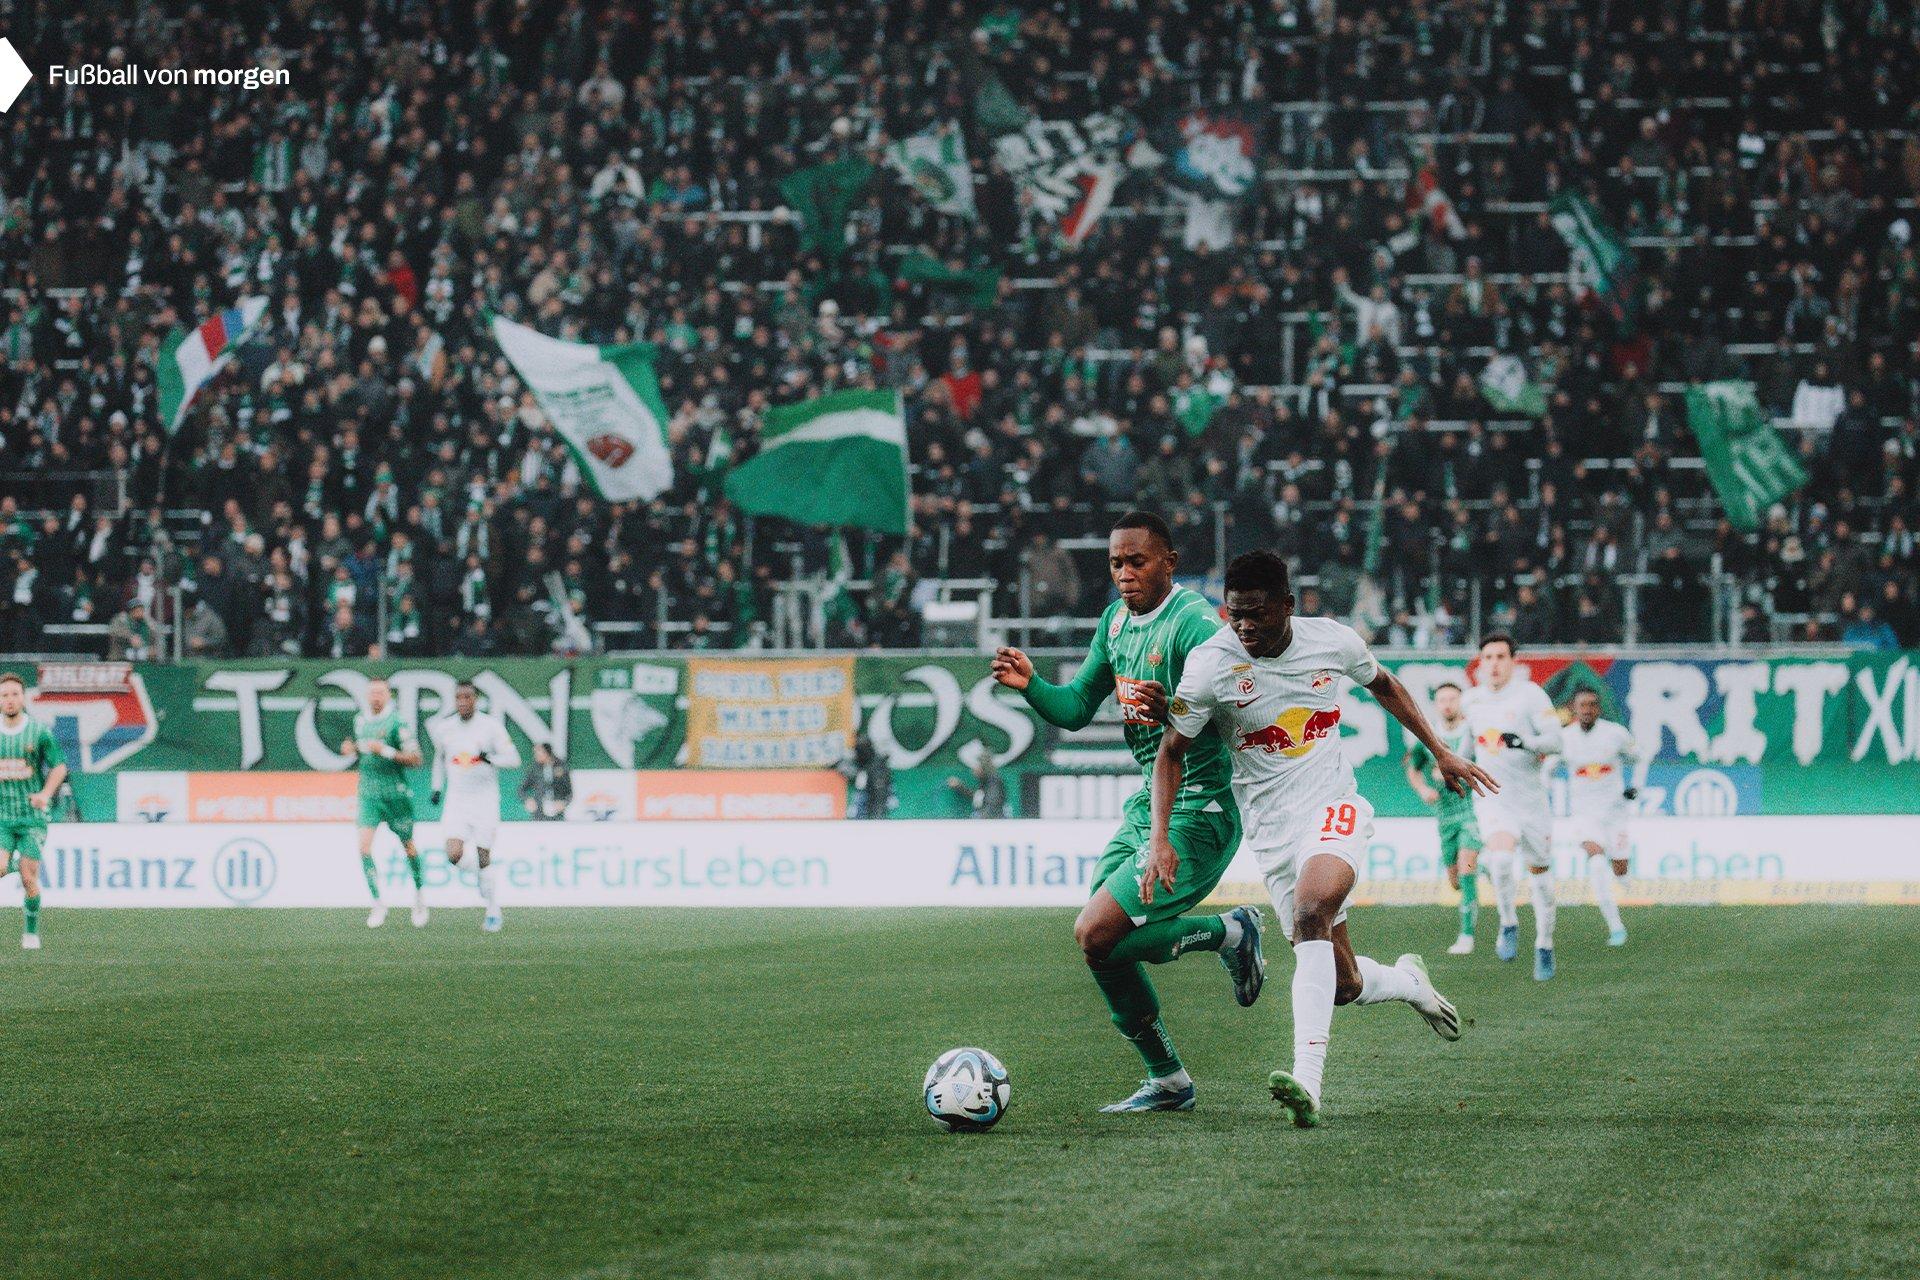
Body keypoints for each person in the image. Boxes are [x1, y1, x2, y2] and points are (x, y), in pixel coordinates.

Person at [1152, 551, 1491, 1128]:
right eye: (1236, 615)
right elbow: (1171, 752)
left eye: (1258, 614)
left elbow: (1385, 685)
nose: (1246, 627)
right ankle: (1409, 982)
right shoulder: (1210, 665)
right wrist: (1161, 835)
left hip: (1334, 806)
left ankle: (1307, 1085)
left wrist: (1440, 750)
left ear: (1288, 606)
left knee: (1313, 909)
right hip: (1271, 830)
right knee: (1343, 982)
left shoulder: (1332, 641)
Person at [992, 511, 1264, 1114]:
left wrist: (1182, 706)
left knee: (1096, 929)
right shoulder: (1115, 622)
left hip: (1202, 807)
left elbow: (1248, 706)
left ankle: (1231, 931)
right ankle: (1167, 1079)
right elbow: (1072, 708)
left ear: (1169, 562)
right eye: (1116, 563)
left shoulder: (1196, 625)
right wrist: (1033, 684)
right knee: (1100, 945)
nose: (1124, 574)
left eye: (1137, 561)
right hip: (1150, 801)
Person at [1460, 633, 1564, 979]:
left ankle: (1545, 945)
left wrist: (1526, 742)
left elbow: (1556, 740)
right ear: (1480, 662)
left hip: (1531, 802)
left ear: (1513, 662)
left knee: (1542, 882)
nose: (1493, 663)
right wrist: (1454, 766)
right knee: (1501, 860)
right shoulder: (1472, 701)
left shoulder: (1531, 696)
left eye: (1501, 656)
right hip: (1493, 798)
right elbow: (1467, 745)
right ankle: (1508, 922)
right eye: (1487, 657)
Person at [429, 679, 520, 932]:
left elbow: (513, 759)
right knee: (453, 853)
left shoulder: (491, 727)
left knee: (483, 854)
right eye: (459, 697)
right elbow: (439, 760)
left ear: (475, 699)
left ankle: (492, 910)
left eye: (467, 697)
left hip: (484, 799)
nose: (462, 702)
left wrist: (487, 758)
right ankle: (482, 877)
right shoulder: (445, 728)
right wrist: (436, 788)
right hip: (457, 799)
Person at [1552, 689, 1639, 947]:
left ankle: (1625, 883)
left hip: (1614, 813)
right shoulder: (1564, 738)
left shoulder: (1615, 734)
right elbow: (1547, 767)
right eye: (1582, 706)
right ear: (1574, 709)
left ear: (1598, 709)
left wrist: (1636, 786)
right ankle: (1616, 927)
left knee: (1620, 870)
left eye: (1592, 705)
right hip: (1583, 815)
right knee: (1597, 863)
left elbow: (1640, 756)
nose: (1587, 710)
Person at [1405, 681, 1485, 954]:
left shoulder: (1474, 734)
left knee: (1466, 869)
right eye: (1442, 700)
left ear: (1461, 702)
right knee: (1454, 882)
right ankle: (1486, 869)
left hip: (1471, 810)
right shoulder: (1428, 738)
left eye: (1453, 698)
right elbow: (1413, 770)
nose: (1448, 704)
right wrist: (1423, 789)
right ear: (1436, 705)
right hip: (1445, 815)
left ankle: (1466, 936)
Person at [340, 676, 426, 928]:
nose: (376, 697)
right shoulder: (359, 720)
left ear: (389, 696)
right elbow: (362, 748)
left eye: (381, 692)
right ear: (367, 696)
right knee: (363, 847)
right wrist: (352, 749)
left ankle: (419, 895)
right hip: (368, 792)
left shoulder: (398, 723)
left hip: (395, 793)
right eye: (372, 692)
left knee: (408, 846)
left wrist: (386, 751)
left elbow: (416, 758)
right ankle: (378, 903)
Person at [0, 672, 66, 950]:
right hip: (3, 817)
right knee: (1, 868)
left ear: (23, 698)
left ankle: (31, 932)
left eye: (15, 694)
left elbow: (59, 766)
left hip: (32, 819)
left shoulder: (39, 732)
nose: (10, 699)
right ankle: (14, 864)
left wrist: (45, 794)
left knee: (29, 879)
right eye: (4, 695)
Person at [520, 742, 572, 819]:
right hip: (539, 813)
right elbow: (521, 789)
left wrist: (563, 802)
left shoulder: (561, 766)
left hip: (557, 813)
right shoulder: (534, 769)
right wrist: (527, 799)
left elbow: (569, 792)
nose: (535, 756)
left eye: (538, 752)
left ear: (546, 752)